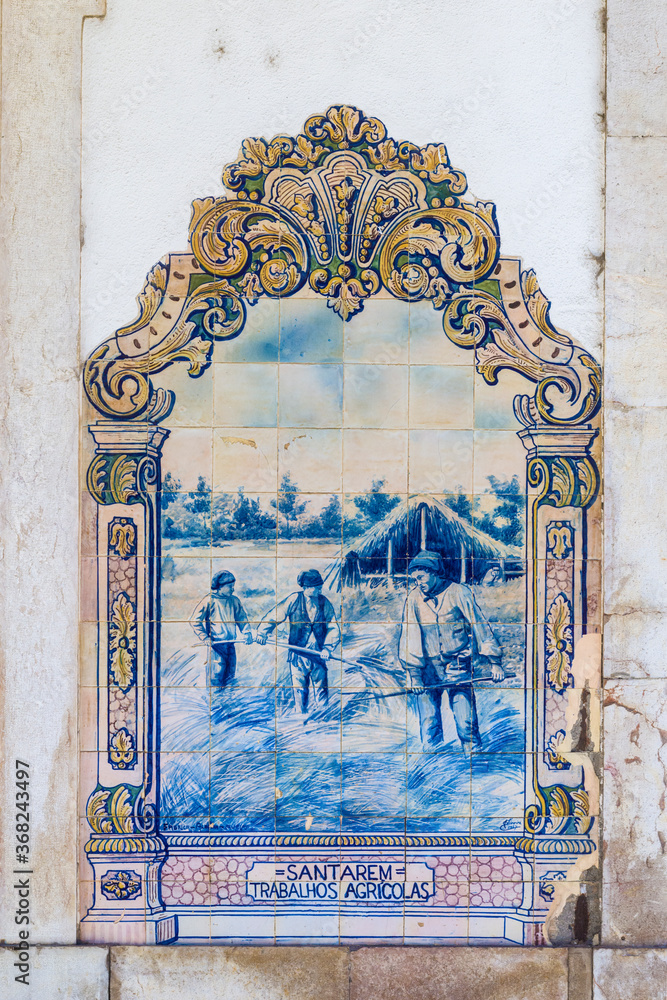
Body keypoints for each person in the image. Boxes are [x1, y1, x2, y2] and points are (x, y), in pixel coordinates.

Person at [398, 550, 504, 756]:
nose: (418, 583)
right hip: (427, 669)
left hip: (457, 665)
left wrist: (494, 661)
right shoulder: (413, 599)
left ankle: (474, 762)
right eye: (414, 579)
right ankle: (433, 767)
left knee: (466, 722)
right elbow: (409, 636)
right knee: (429, 725)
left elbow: (479, 625)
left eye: (421, 577)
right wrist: (414, 676)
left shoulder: (459, 592)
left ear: (435, 572)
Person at [255, 569, 340, 716]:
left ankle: (325, 721)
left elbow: (333, 627)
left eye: (320, 586)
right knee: (300, 692)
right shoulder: (294, 600)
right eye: (317, 586)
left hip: (319, 655)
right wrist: (262, 632)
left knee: (321, 691)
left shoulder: (324, 603)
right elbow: (274, 616)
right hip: (297, 656)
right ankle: (302, 721)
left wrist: (328, 648)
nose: (320, 589)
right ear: (306, 587)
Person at [189, 570, 253, 688]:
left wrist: (247, 632)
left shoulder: (234, 600)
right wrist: (205, 637)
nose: (232, 589)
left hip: (230, 645)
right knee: (216, 677)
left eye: (233, 586)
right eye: (230, 586)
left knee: (230, 676)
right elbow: (195, 621)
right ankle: (216, 703)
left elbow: (242, 618)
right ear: (220, 587)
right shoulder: (209, 600)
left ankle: (228, 703)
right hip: (216, 646)